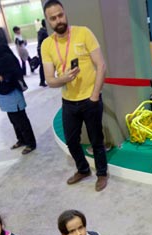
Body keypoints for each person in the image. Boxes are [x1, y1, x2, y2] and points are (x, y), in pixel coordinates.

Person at [41, 0, 109, 191]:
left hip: (90, 98)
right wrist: (62, 78)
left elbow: (101, 65)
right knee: (71, 140)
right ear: (48, 21)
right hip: (69, 102)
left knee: (96, 139)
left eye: (60, 15)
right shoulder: (47, 45)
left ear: (65, 13)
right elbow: (49, 80)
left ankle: (102, 173)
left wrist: (95, 95)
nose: (58, 20)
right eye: (53, 18)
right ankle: (83, 169)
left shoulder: (83, 32)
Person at [0, 37, 38, 155]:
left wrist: (1, 78)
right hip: (3, 93)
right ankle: (21, 139)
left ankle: (30, 143)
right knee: (13, 119)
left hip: (12, 92)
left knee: (21, 120)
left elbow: (16, 73)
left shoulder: (8, 58)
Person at [37, 19, 48, 87]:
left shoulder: (41, 31)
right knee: (43, 65)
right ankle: (42, 81)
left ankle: (42, 80)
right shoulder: (44, 32)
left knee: (43, 65)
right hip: (42, 50)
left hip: (40, 49)